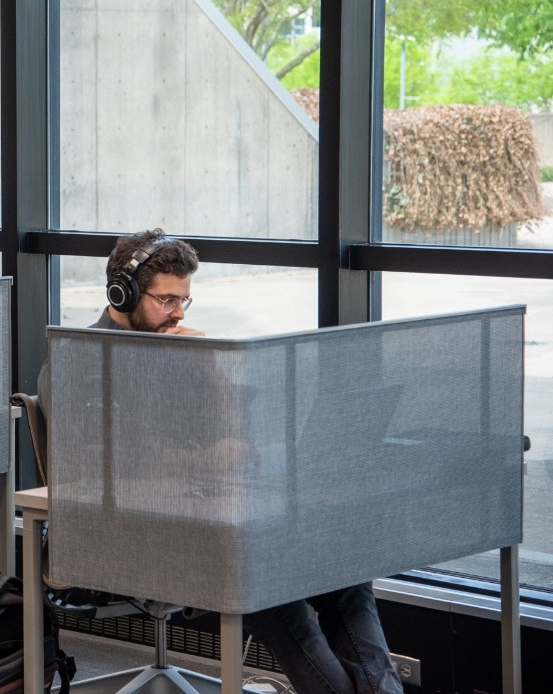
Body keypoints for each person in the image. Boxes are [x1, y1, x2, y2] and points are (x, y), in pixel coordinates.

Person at [41, 228, 403, 694]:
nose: (176, 313)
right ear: (122, 292)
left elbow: (235, 431)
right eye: (166, 300)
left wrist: (207, 365)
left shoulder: (175, 350)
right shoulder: (79, 359)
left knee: (343, 568)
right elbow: (99, 470)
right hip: (128, 535)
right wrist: (201, 462)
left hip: (200, 516)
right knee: (268, 586)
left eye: (183, 301)